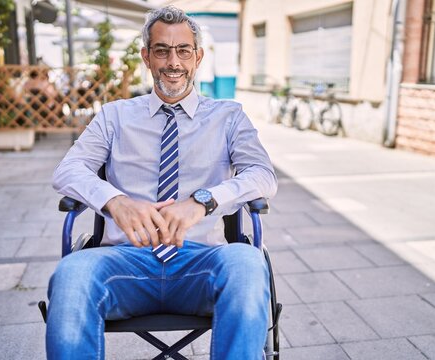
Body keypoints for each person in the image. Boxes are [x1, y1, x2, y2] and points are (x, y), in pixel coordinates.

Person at [46, 5, 277, 360]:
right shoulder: (115, 116)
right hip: (124, 263)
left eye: (183, 50)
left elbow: (262, 175)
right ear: (146, 57)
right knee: (71, 274)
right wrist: (115, 201)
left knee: (247, 265)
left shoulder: (229, 117)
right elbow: (67, 170)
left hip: (202, 263)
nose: (173, 61)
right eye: (162, 50)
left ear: (197, 57)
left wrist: (203, 200)